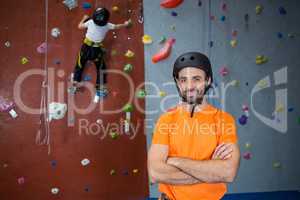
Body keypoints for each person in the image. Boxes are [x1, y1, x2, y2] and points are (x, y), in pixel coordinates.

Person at [148, 52, 240, 200]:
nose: (189, 86)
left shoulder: (224, 120)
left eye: (196, 79)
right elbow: (155, 173)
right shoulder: (165, 121)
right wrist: (210, 170)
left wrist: (175, 161)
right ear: (178, 83)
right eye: (184, 80)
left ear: (207, 80)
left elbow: (228, 172)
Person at [71, 7, 130, 103]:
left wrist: (84, 18)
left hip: (85, 47)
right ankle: (99, 88)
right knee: (101, 68)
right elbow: (117, 26)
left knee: (79, 64)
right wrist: (126, 24)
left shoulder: (90, 22)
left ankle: (75, 83)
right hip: (96, 51)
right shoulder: (107, 25)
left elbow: (80, 26)